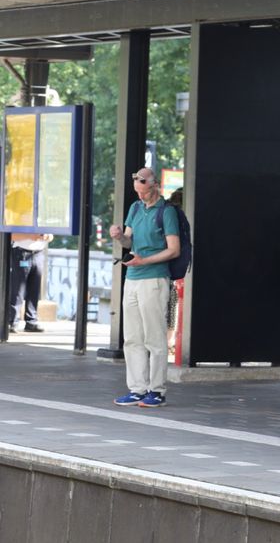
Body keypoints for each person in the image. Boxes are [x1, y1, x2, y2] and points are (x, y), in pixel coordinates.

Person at [110, 168, 180, 408]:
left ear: (155, 186)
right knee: (132, 337)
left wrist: (145, 261)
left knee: (154, 337)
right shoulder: (135, 208)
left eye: (145, 192)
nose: (141, 196)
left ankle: (156, 390)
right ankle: (137, 388)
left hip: (154, 278)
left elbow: (174, 249)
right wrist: (119, 237)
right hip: (133, 276)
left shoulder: (166, 212)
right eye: (137, 192)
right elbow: (129, 240)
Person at [8, 232, 53, 333]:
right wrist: (30, 236)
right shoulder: (22, 218)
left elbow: (51, 236)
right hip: (22, 254)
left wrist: (47, 237)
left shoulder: (43, 220)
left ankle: (31, 322)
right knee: (18, 289)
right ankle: (12, 322)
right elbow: (11, 235)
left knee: (34, 289)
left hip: (38, 254)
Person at [165, 188, 184, 357]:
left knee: (170, 303)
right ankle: (170, 341)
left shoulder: (168, 215)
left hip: (166, 268)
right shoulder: (181, 219)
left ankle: (168, 340)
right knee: (173, 304)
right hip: (179, 269)